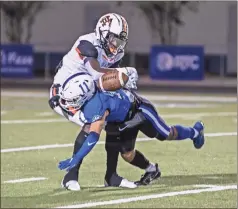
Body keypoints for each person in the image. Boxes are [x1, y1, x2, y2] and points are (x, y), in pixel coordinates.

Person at [49, 13, 146, 190]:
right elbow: (94, 73)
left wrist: (120, 81)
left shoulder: (115, 52)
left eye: (119, 41)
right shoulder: (87, 43)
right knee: (93, 119)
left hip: (90, 87)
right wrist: (122, 74)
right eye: (112, 39)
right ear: (102, 31)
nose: (115, 45)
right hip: (65, 91)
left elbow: (105, 80)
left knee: (112, 115)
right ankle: (70, 176)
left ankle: (111, 176)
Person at [57, 73, 205, 187]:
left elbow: (93, 136)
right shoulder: (91, 93)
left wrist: (76, 158)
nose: (69, 104)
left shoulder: (96, 105)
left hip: (139, 111)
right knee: (127, 154)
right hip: (123, 119)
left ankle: (195, 132)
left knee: (166, 134)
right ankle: (151, 169)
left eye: (72, 101)